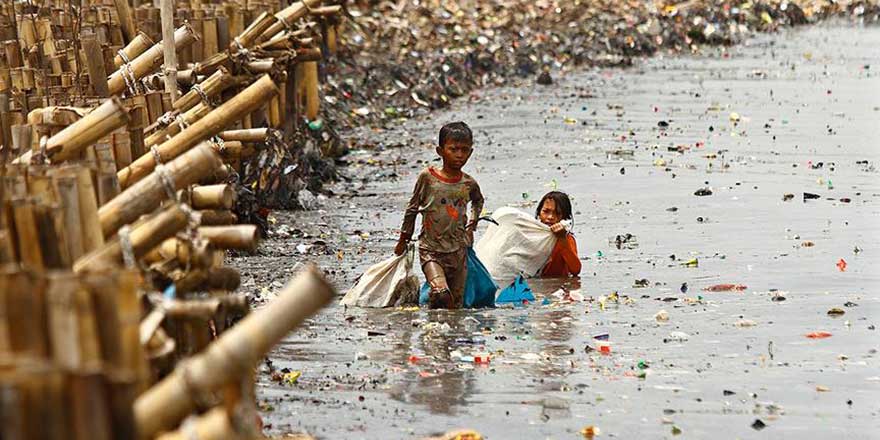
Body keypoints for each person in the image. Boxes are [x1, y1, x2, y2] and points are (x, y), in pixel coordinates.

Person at [395, 122, 484, 309]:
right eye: (453, 149)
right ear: (440, 150)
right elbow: (412, 209)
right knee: (440, 291)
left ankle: (444, 332)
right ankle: (435, 333)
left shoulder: (468, 183)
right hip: (431, 250)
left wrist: (472, 225)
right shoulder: (428, 177)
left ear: (471, 152)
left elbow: (478, 201)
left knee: (455, 306)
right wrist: (404, 238)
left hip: (458, 252)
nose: (459, 155)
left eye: (464, 150)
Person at [536, 191, 581, 277]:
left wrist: (562, 239)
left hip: (558, 288)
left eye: (557, 213)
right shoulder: (529, 235)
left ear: (564, 217)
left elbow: (576, 270)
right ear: (539, 213)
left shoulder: (567, 239)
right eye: (546, 211)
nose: (550, 217)